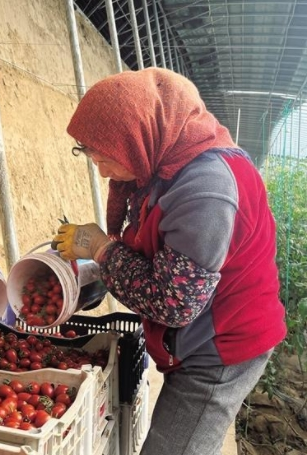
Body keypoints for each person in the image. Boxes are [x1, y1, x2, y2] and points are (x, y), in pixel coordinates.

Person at [52, 68, 286, 455]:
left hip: (222, 346)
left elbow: (173, 303)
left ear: (137, 139)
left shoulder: (205, 191)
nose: (99, 167)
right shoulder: (166, 161)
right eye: (88, 152)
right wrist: (95, 266)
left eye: (103, 154)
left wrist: (99, 249)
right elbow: (155, 253)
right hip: (203, 331)